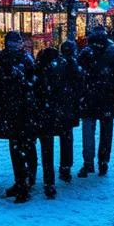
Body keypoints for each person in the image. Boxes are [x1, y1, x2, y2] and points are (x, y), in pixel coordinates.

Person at [0, 30, 38, 203]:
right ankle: (25, 181)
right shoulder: (22, 59)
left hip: (13, 110)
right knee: (24, 145)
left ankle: (22, 182)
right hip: (21, 109)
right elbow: (33, 84)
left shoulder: (8, 60)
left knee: (18, 147)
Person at [76, 25, 114, 177]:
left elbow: (78, 75)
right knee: (106, 131)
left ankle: (88, 163)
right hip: (109, 97)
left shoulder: (86, 53)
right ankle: (103, 161)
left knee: (88, 131)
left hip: (89, 97)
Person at [34, 45, 80, 198]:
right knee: (66, 139)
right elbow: (77, 84)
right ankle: (65, 168)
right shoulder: (66, 65)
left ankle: (49, 181)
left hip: (45, 113)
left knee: (47, 148)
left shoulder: (39, 68)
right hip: (63, 111)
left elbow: (35, 90)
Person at [56, 40, 83, 180]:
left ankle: (64, 166)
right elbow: (80, 87)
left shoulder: (57, 65)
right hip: (69, 107)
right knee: (67, 137)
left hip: (59, 106)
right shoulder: (74, 66)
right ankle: (66, 166)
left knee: (61, 136)